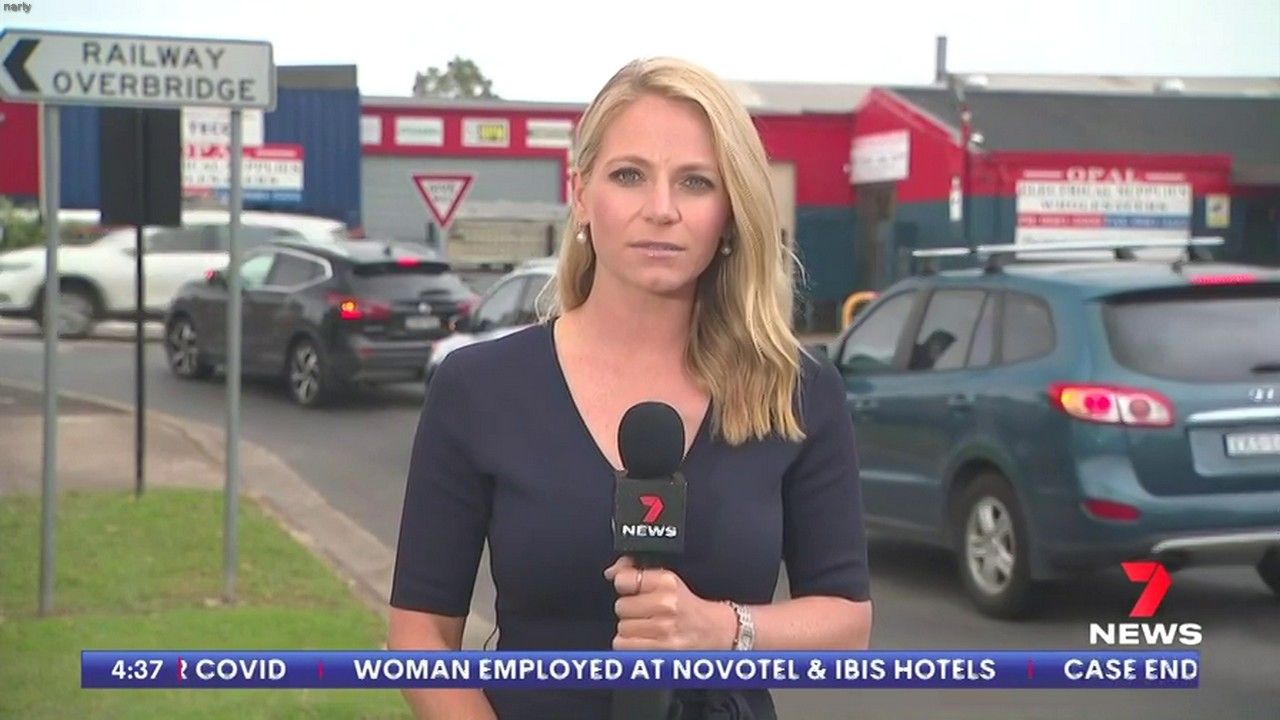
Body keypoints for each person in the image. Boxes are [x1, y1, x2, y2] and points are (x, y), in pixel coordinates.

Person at [388, 56, 873, 720]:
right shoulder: (477, 388)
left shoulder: (796, 391)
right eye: (629, 175)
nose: (661, 210)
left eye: (695, 182)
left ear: (731, 212)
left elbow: (846, 626)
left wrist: (719, 629)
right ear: (582, 194)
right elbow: (421, 634)